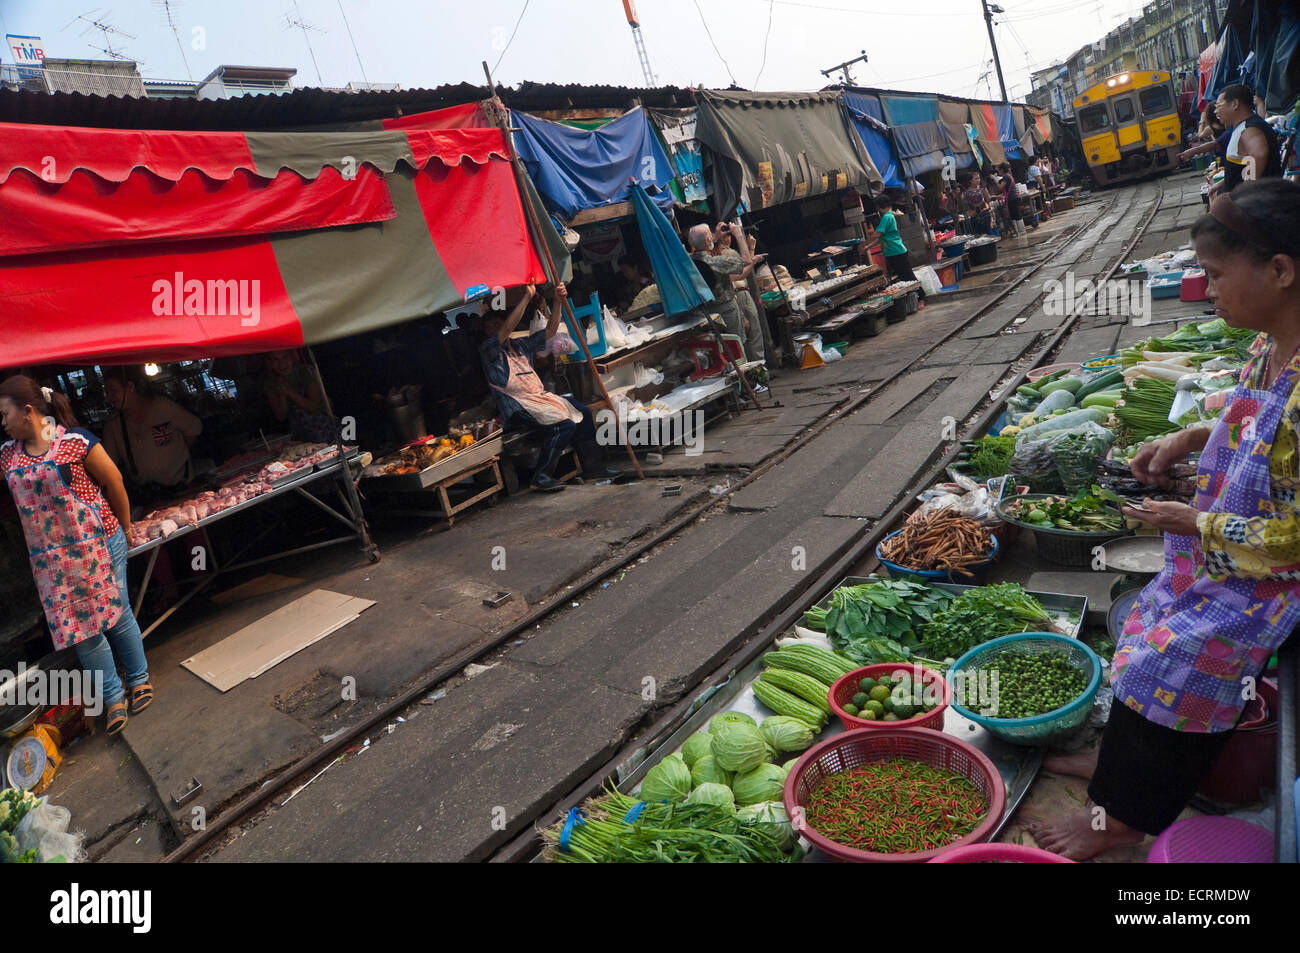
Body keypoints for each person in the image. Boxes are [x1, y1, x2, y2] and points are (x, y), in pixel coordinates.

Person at [1028, 180, 1300, 859]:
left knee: (1173, 656)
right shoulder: (1269, 349)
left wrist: (1194, 523)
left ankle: (1123, 816)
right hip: (1234, 558)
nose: (1205, 290)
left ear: (1281, 270)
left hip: (1276, 580)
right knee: (1138, 621)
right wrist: (1188, 439)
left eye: (1214, 275)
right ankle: (1116, 771)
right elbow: (1247, 426)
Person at [1, 376, 152, 735]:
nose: (2, 422)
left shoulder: (74, 442)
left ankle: (139, 677)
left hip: (98, 542)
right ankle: (113, 696)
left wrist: (127, 526)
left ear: (28, 411)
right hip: (51, 564)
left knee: (115, 614)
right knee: (80, 632)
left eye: (4, 414)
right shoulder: (7, 455)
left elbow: (114, 481)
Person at [476, 282, 620, 492]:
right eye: (491, 325)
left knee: (584, 412)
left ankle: (593, 468)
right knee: (564, 425)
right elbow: (507, 329)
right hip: (517, 408)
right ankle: (541, 476)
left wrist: (558, 301)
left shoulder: (520, 345)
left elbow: (550, 332)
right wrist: (526, 297)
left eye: (499, 321)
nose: (497, 326)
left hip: (539, 398)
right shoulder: (488, 350)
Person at [101, 367, 202, 502]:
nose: (109, 398)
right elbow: (108, 464)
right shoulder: (113, 425)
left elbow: (194, 428)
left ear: (130, 387)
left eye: (113, 391)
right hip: (149, 497)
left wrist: (176, 456)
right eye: (106, 392)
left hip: (182, 489)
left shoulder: (162, 407)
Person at [688, 222, 767, 361]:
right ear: (708, 240)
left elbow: (701, 245)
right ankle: (747, 378)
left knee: (719, 352)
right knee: (736, 347)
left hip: (704, 312)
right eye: (710, 234)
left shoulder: (689, 261)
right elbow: (746, 261)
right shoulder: (715, 262)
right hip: (726, 310)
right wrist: (738, 235)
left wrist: (716, 235)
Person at [711, 228, 769, 367]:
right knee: (750, 334)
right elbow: (743, 271)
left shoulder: (723, 254)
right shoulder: (725, 255)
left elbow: (746, 266)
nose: (729, 238)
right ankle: (756, 368)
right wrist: (750, 251)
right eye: (727, 235)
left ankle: (756, 367)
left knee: (747, 334)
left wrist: (751, 250)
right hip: (737, 295)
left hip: (739, 294)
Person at [1211, 84, 1282, 195]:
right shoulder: (1242, 127)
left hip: (1256, 204)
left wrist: (1246, 191)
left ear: (1235, 104)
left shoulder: (1249, 129)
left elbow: (1259, 155)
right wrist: (1222, 183)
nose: (1216, 111)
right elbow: (1241, 169)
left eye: (1219, 105)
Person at [262, 350, 339, 443]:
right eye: (275, 359)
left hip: (324, 425)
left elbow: (313, 406)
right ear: (269, 363)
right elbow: (281, 416)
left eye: (285, 357)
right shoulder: (270, 382)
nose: (281, 363)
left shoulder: (306, 371)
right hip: (300, 432)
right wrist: (282, 395)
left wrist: (290, 392)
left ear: (292, 357)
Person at [870, 195, 927, 309]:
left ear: (878, 206)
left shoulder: (886, 217)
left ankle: (922, 297)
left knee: (908, 276)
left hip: (896, 252)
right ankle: (916, 298)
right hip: (893, 252)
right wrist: (867, 247)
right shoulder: (889, 216)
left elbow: (877, 234)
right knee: (904, 276)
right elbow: (880, 237)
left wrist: (863, 244)